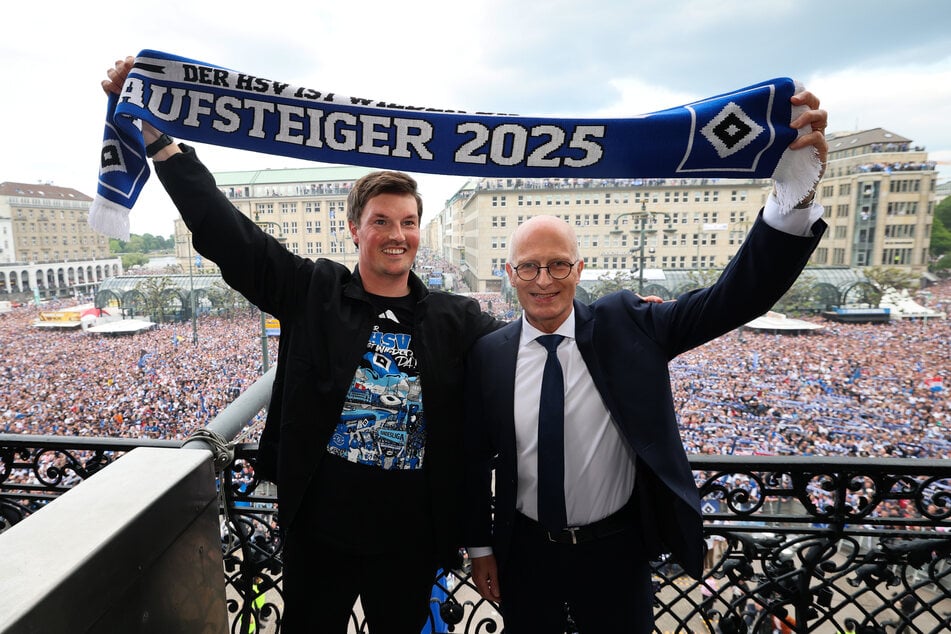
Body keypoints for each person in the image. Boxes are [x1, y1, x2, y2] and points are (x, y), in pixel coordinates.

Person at [102, 57, 504, 634]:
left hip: (412, 535)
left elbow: (523, 353)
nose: (398, 235)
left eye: (410, 222)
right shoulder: (314, 291)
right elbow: (229, 235)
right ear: (355, 229)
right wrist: (159, 140)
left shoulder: (457, 317)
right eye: (382, 221)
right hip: (322, 528)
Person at [463, 91, 828, 632]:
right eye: (530, 267)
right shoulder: (489, 354)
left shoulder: (628, 324)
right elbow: (473, 461)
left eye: (559, 265)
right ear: (510, 274)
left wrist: (791, 199)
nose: (545, 281)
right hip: (527, 553)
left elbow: (732, 300)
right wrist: (479, 546)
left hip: (617, 552)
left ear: (580, 268)